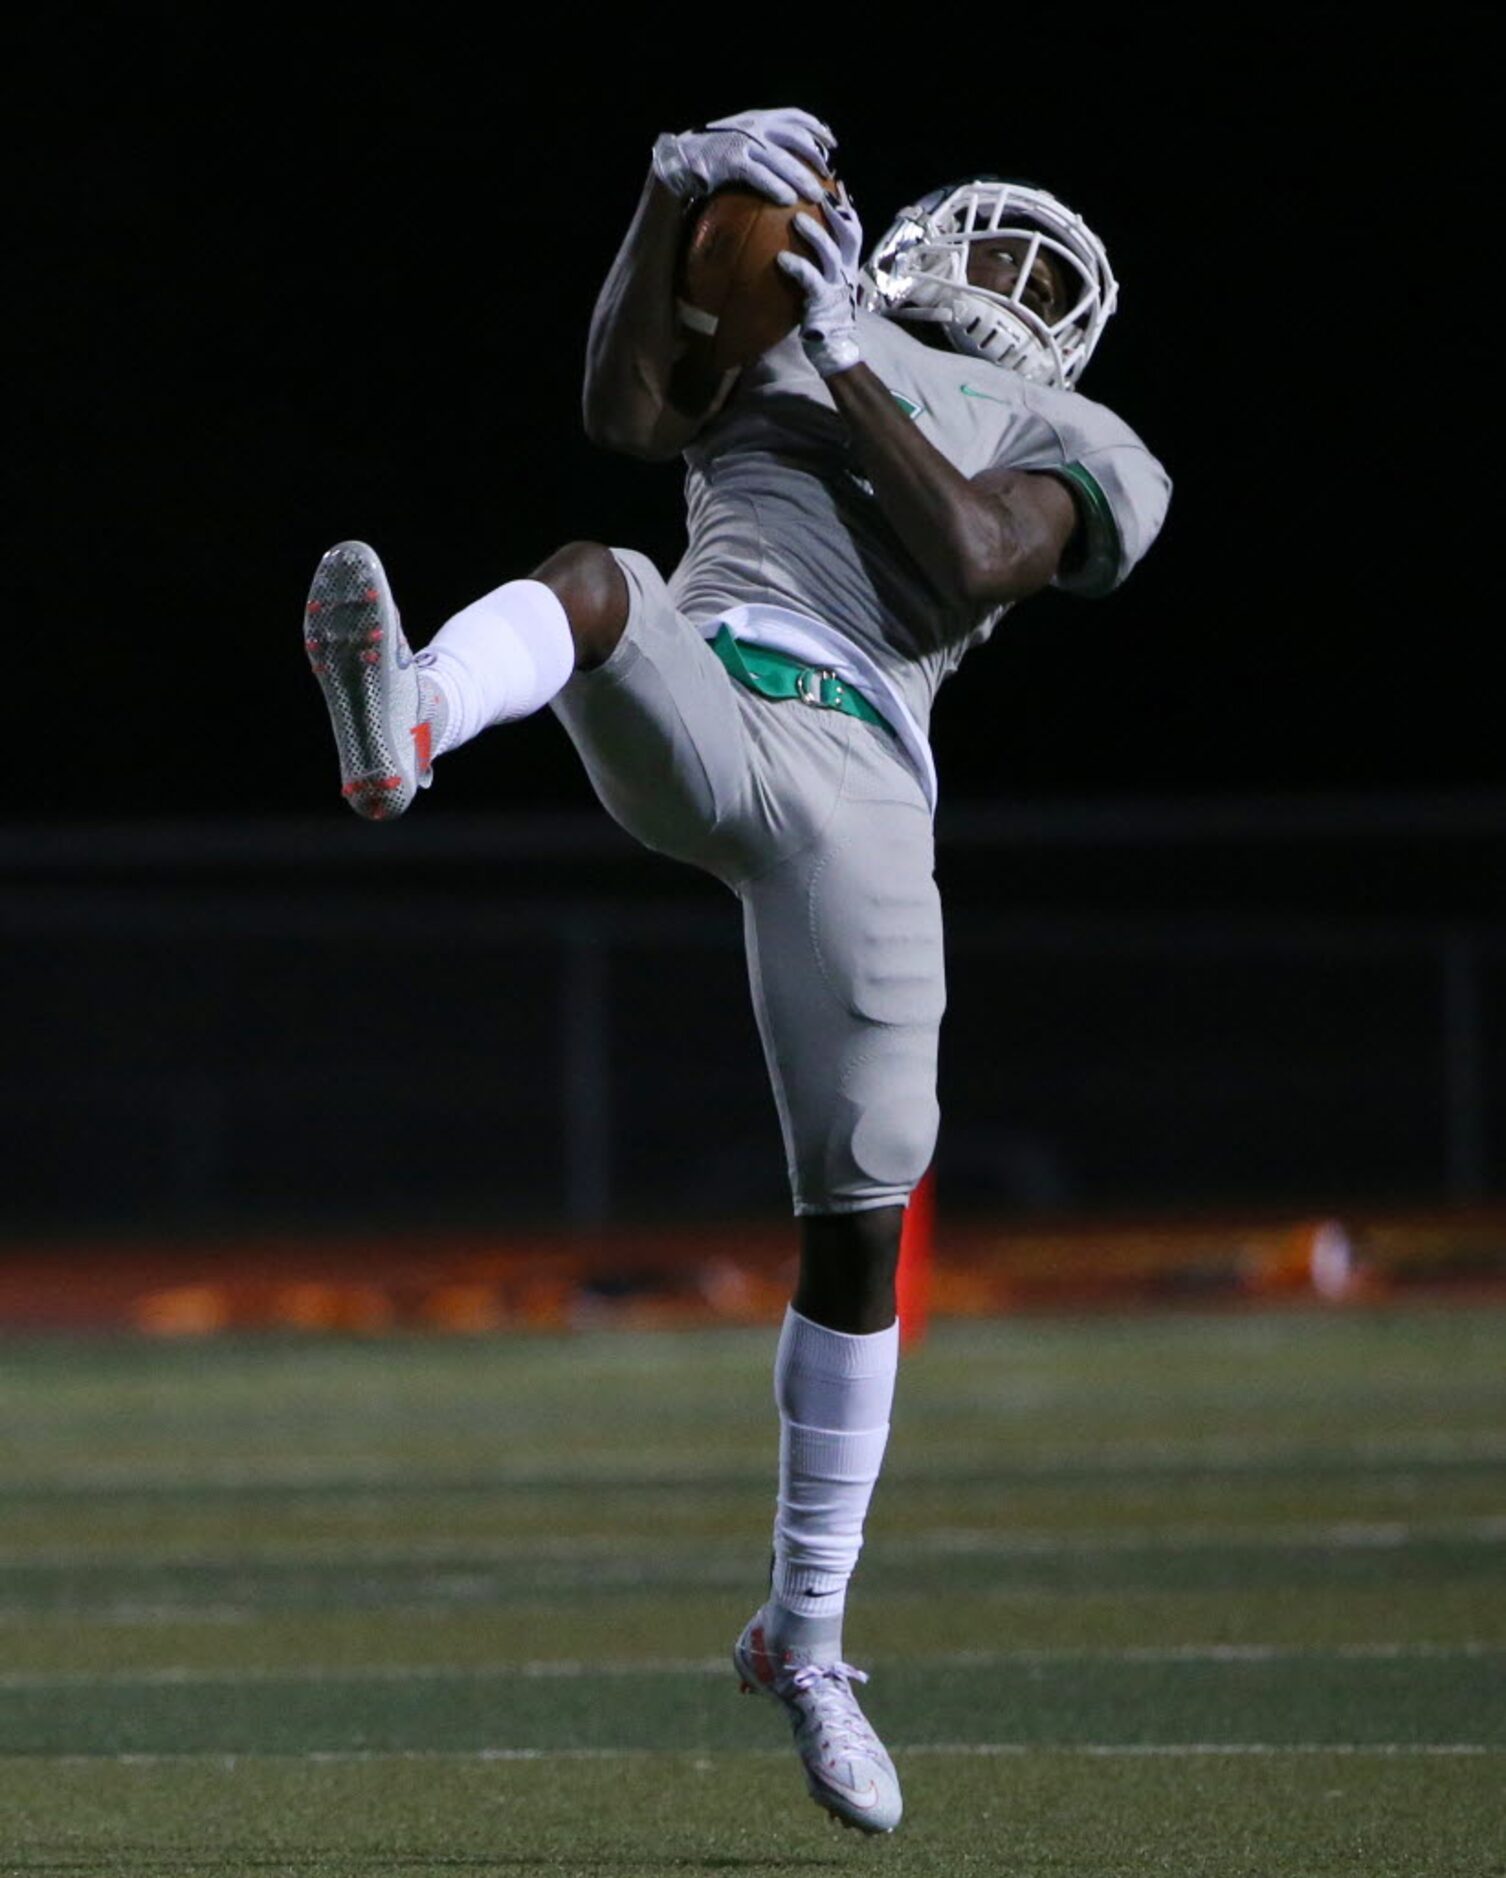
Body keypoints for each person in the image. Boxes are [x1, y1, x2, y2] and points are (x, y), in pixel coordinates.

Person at [302, 105, 1170, 1835]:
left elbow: (983, 555)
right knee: (602, 574)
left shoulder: (1079, 432)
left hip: (861, 772)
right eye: (987, 240)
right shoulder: (783, 327)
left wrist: (845, 356)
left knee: (859, 1217)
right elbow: (624, 410)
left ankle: (809, 1636)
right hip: (711, 673)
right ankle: (406, 720)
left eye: (1029, 267)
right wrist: (669, 180)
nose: (999, 274)